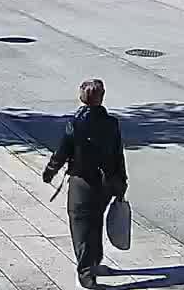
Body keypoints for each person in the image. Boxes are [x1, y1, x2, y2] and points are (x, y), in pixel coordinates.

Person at [42, 78, 127, 289]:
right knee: (96, 222)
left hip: (82, 183)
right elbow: (118, 154)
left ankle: (86, 273)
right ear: (102, 97)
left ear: (82, 97)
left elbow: (62, 152)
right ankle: (95, 262)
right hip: (106, 183)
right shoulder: (112, 123)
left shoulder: (75, 124)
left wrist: (50, 172)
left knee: (81, 228)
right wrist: (121, 181)